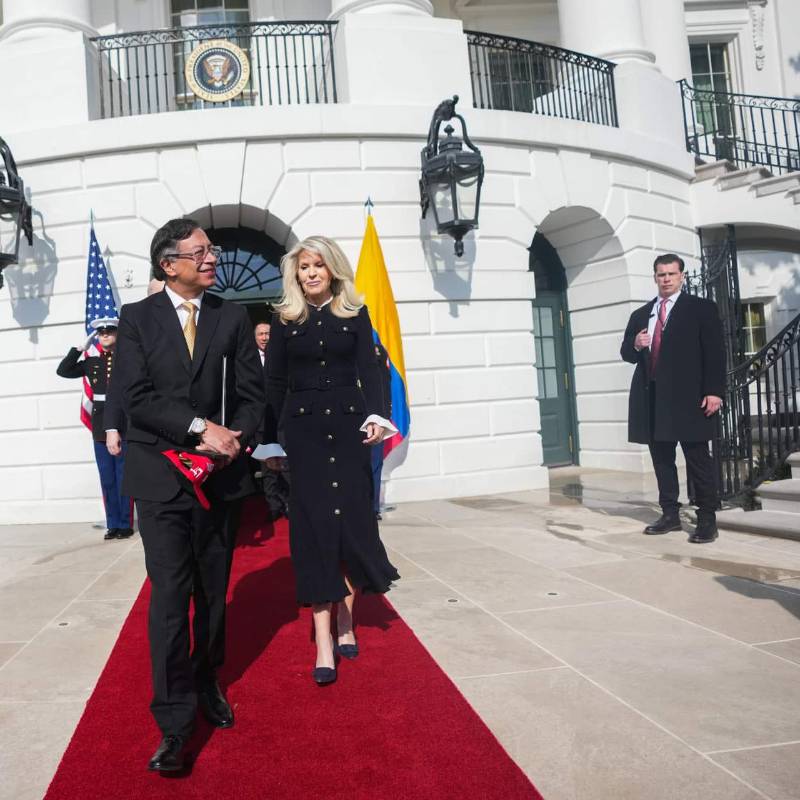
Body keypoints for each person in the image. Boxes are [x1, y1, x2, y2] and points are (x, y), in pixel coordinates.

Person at [113, 218, 264, 772]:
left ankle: (207, 680)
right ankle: (174, 725)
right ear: (168, 263)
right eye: (199, 252)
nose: (211, 259)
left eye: (212, 250)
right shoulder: (136, 319)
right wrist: (201, 429)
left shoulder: (231, 315)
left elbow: (252, 395)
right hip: (161, 481)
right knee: (172, 599)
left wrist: (234, 439)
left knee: (213, 594)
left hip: (219, 478)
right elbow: (135, 397)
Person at [261, 236, 400, 685]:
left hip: (349, 430)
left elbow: (370, 371)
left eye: (318, 265)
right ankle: (323, 638)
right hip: (304, 437)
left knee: (351, 528)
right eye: (304, 267)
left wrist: (378, 416)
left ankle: (345, 621)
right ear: (295, 274)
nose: (311, 273)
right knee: (315, 531)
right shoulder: (284, 319)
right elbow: (274, 382)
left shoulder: (355, 314)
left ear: (333, 269)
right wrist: (270, 442)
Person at [620, 253, 725, 544]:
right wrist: (635, 343)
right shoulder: (641, 314)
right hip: (652, 398)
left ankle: (707, 519)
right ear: (655, 277)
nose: (666, 279)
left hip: (690, 399)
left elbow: (715, 353)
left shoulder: (701, 309)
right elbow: (627, 354)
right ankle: (670, 515)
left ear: (681, 276)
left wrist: (714, 391)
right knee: (662, 460)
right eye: (661, 274)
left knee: (698, 460)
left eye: (671, 274)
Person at [56, 317, 133, 540]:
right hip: (100, 426)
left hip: (124, 423)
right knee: (107, 478)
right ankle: (113, 524)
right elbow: (64, 370)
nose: (105, 334)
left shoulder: (127, 359)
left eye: (109, 331)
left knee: (123, 476)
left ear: (118, 333)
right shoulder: (92, 362)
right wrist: (80, 349)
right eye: (101, 332)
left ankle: (125, 523)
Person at [254, 320, 290, 520]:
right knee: (268, 468)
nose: (265, 338)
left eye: (268, 334)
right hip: (262, 421)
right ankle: (273, 506)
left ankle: (288, 503)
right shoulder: (250, 359)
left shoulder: (283, 356)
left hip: (284, 418)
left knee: (287, 464)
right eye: (261, 334)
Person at [371, 341, 392, 520]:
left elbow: (385, 384)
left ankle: (372, 507)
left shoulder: (377, 351)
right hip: (376, 417)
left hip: (372, 419)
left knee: (374, 465)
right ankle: (372, 508)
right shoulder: (378, 351)